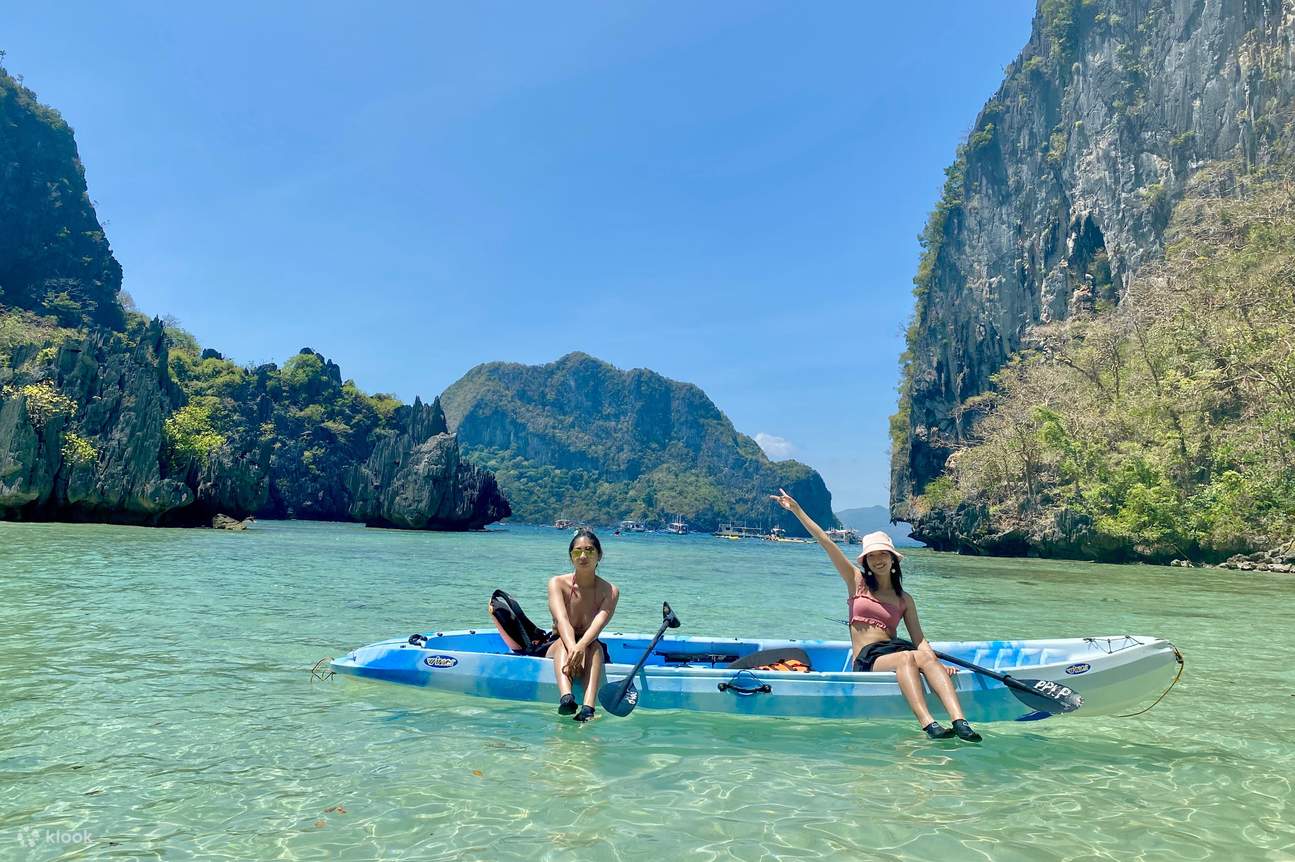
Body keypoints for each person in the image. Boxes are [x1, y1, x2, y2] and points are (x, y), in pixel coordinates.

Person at [770, 489, 981, 741]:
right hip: (868, 660)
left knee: (925, 657)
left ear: (893, 559)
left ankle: (960, 721)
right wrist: (796, 510)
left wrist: (936, 664)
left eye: (883, 554)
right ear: (866, 561)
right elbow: (826, 542)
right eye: (872, 556)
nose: (878, 560)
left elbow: (920, 640)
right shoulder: (856, 581)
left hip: (894, 651)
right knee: (907, 658)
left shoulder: (905, 599)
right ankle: (928, 724)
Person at [546, 528, 620, 722]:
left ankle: (588, 708)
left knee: (594, 647)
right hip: (558, 643)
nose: (583, 556)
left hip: (589, 644)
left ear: (599, 555)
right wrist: (573, 649)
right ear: (571, 557)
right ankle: (566, 698)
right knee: (564, 644)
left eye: (589, 550)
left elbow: (598, 624)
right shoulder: (557, 583)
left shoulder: (610, 591)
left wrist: (580, 647)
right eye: (577, 551)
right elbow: (562, 619)